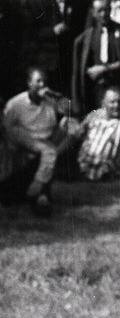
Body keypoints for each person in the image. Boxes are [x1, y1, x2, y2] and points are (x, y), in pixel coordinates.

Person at [2, 67, 82, 214]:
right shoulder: (16, 104)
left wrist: (57, 97)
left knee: (72, 125)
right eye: (38, 81)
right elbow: (7, 129)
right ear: (29, 83)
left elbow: (74, 110)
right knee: (46, 152)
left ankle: (44, 171)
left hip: (50, 140)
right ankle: (41, 193)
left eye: (44, 81)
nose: (42, 84)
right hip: (29, 142)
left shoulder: (50, 99)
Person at [72, 0, 120, 116]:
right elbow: (79, 69)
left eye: (106, 10)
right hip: (96, 90)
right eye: (100, 11)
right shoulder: (87, 37)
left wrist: (104, 68)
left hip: (118, 87)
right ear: (93, 13)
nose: (103, 14)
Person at [34, 0, 87, 95]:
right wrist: (53, 31)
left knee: (69, 99)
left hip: (69, 61)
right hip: (49, 61)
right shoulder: (41, 4)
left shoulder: (78, 3)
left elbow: (83, 30)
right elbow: (33, 32)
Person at [78, 87, 120, 181]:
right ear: (103, 103)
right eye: (112, 102)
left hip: (104, 168)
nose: (117, 105)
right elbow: (77, 134)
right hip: (82, 162)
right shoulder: (95, 114)